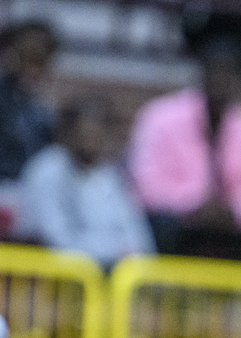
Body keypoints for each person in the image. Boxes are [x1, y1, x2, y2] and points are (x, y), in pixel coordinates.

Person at [127, 40, 241, 265]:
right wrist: (196, 206)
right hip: (181, 222)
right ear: (201, 76)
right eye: (215, 74)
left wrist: (233, 211)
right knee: (158, 226)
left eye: (229, 76)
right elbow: (146, 187)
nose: (220, 83)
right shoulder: (160, 117)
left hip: (233, 226)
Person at [16, 97, 154, 267]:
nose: (92, 142)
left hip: (105, 274)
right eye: (86, 134)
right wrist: (114, 252)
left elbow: (139, 240)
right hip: (52, 275)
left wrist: (129, 255)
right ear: (67, 132)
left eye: (98, 134)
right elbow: (56, 241)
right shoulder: (48, 170)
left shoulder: (109, 175)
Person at [0, 20, 56, 188]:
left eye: (40, 60)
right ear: (8, 53)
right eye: (27, 57)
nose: (32, 68)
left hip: (21, 190)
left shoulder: (38, 110)